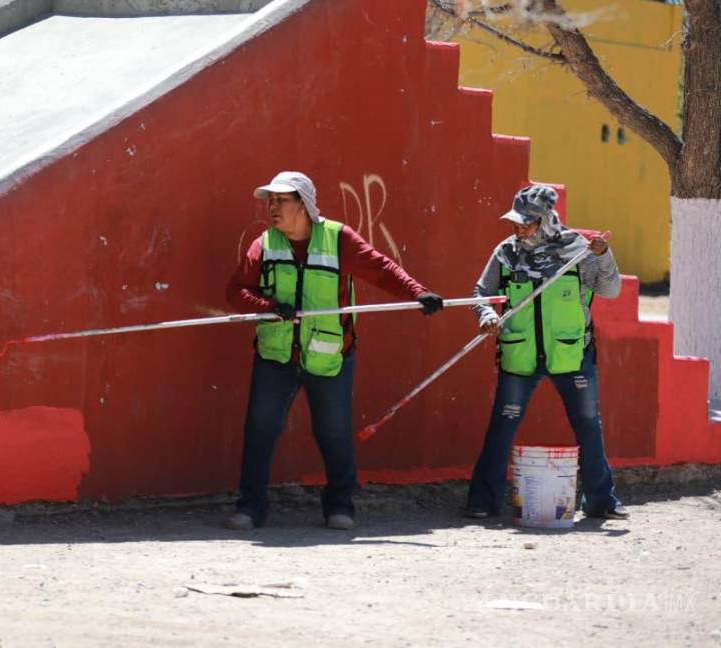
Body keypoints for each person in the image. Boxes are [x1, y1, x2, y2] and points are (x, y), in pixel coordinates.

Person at [224, 171, 444, 531]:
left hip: (330, 355)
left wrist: (418, 293)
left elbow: (381, 269)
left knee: (334, 434)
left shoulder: (338, 238)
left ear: (304, 204)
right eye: (270, 201)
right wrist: (268, 306)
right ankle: (251, 507)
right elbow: (236, 291)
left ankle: (341, 505)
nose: (272, 207)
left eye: (281, 200)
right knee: (260, 432)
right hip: (275, 355)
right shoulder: (263, 244)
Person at [464, 184, 627, 520]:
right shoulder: (505, 253)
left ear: (547, 220)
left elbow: (610, 290)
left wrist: (603, 256)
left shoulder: (578, 251)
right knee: (502, 426)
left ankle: (601, 501)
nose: (519, 229)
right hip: (519, 354)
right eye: (516, 223)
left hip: (572, 354)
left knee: (588, 426)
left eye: (527, 223)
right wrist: (486, 314)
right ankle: (483, 501)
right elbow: (481, 292)